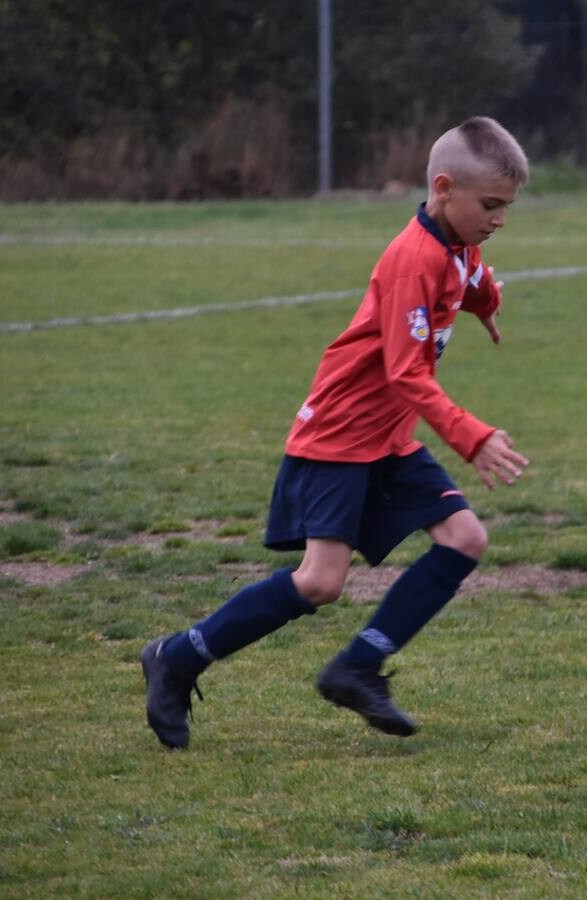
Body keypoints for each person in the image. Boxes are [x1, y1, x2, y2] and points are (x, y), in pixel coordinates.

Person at [140, 116, 531, 749]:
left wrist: (486, 304)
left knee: (464, 537)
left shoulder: (457, 246)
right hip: (341, 434)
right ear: (443, 187)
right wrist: (472, 436)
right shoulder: (413, 259)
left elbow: (472, 278)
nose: (499, 219)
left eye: (506, 207)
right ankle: (178, 657)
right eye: (491, 205)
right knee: (320, 582)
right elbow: (406, 374)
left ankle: (357, 667)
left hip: (388, 437)